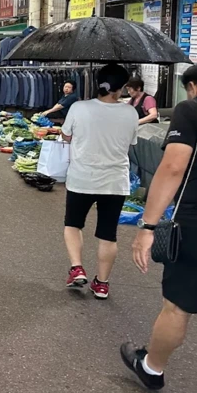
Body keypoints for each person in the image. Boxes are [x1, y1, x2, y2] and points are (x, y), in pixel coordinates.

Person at [122, 62, 197, 390]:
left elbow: (173, 167)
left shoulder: (192, 111)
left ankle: (152, 367)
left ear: (193, 87)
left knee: (178, 305)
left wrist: (147, 227)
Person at [60, 64, 140, 299]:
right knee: (108, 234)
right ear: (122, 87)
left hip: (82, 178)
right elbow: (131, 143)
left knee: (73, 224)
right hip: (115, 181)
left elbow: (66, 135)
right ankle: (102, 284)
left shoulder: (79, 107)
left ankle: (76, 268)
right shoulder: (130, 112)